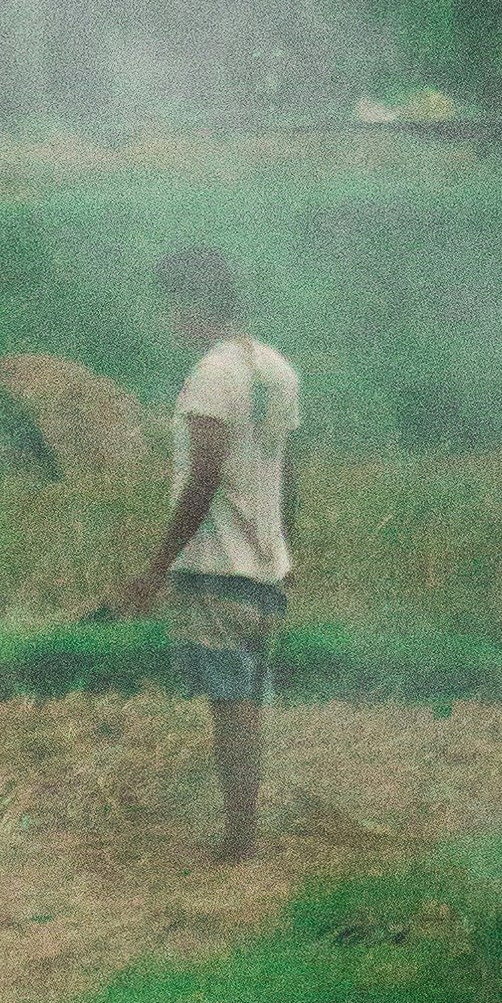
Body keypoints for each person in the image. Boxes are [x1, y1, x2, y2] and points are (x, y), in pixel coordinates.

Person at [121, 242, 301, 860]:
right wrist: (285, 550)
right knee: (247, 697)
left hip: (219, 565)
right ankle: (244, 833)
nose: (167, 319)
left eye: (170, 304)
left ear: (192, 303)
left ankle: (239, 842)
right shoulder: (276, 369)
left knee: (231, 706)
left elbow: (204, 475)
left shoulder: (210, 376)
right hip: (263, 566)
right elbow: (285, 471)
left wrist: (157, 566)